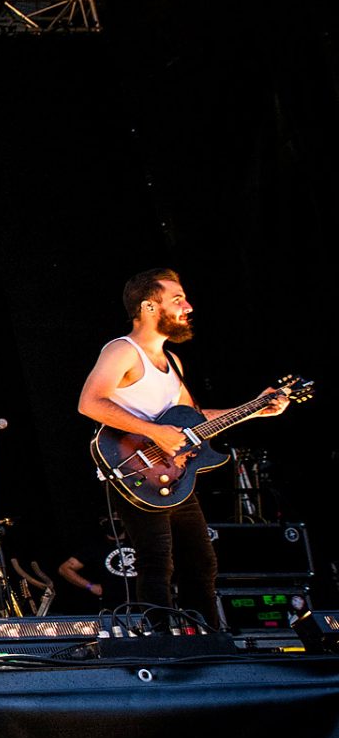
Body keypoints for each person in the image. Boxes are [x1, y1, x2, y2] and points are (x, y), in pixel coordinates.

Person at [76, 268, 285, 625]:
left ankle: (206, 638)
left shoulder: (173, 362)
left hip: (173, 475)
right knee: (156, 560)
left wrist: (254, 409)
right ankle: (163, 643)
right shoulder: (122, 351)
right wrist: (154, 433)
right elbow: (90, 403)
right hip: (133, 470)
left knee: (201, 562)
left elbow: (196, 418)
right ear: (148, 307)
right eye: (177, 300)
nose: (187, 307)